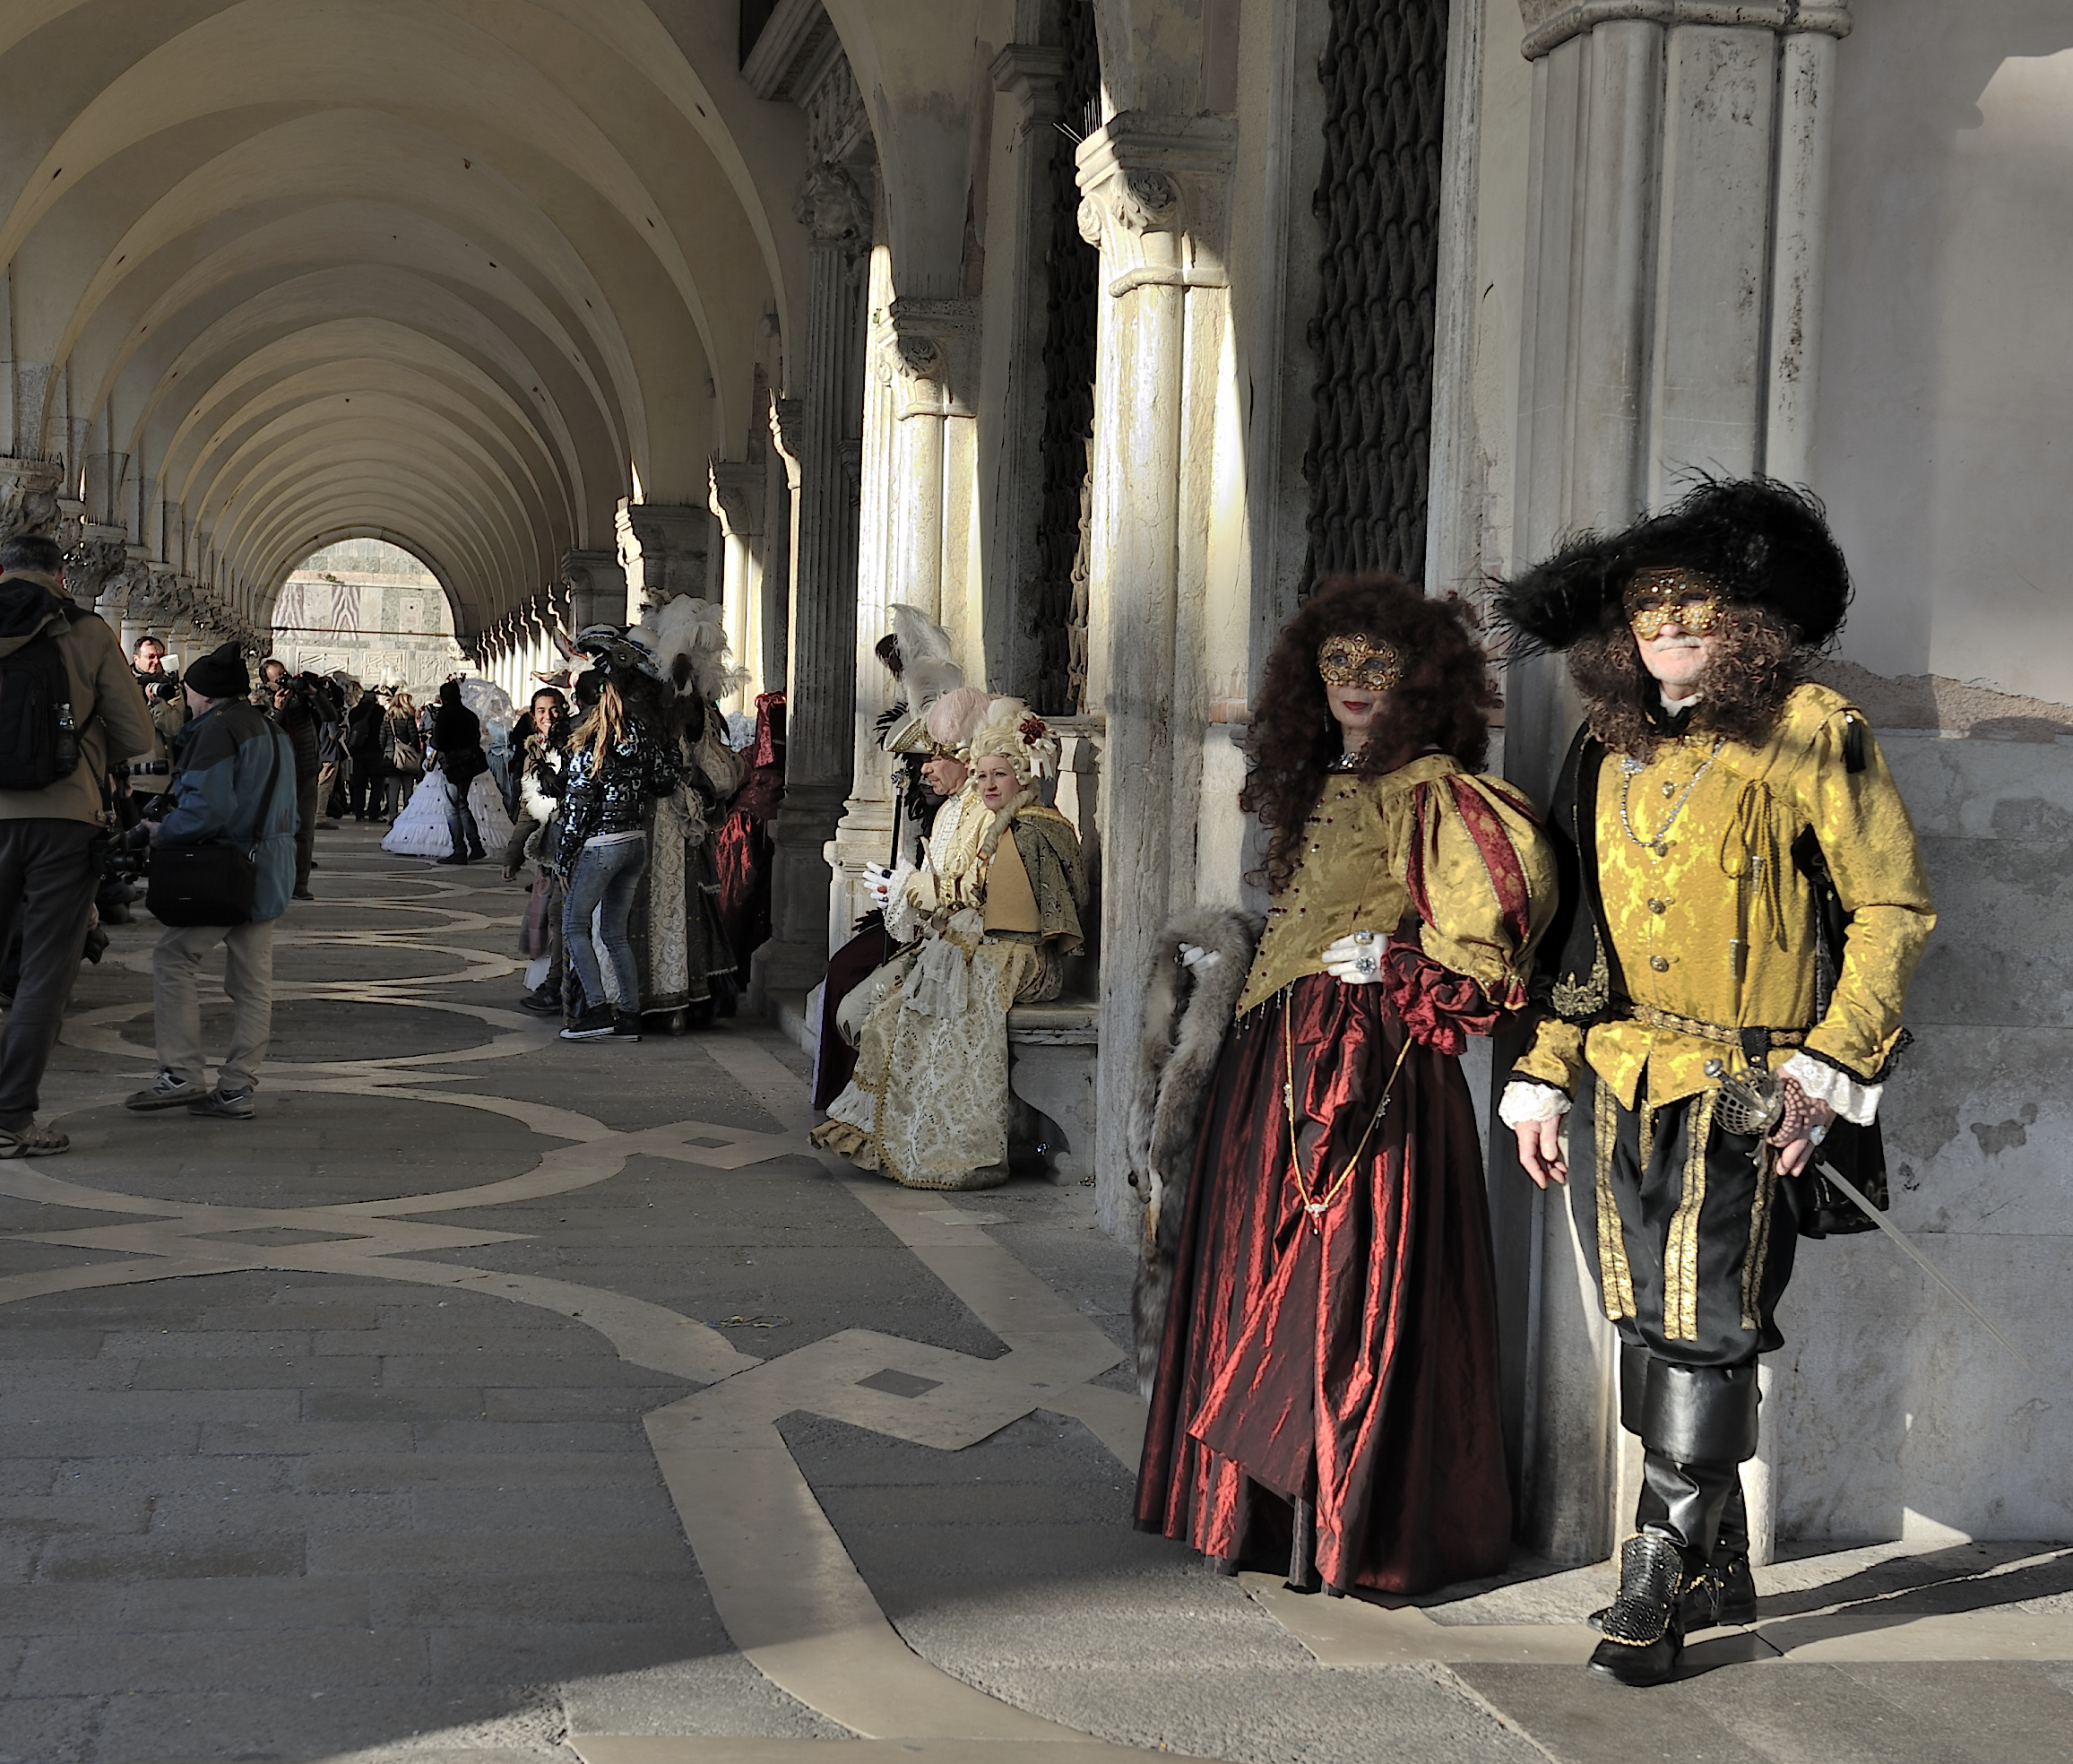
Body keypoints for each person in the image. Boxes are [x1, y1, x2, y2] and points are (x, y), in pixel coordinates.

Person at [1493, 479, 1936, 1686]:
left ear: (1744, 620)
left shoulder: (1810, 730)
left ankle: (1659, 1565)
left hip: (1748, 1083)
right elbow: (1572, 931)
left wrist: (1826, 1067)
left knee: (1706, 1325)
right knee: (1646, 1317)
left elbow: (1889, 908)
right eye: (1649, 609)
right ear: (1619, 634)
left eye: (1696, 606)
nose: (1672, 627)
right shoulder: (1604, 747)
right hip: (1621, 1072)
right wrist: (1541, 1072)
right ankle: (1723, 1549)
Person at [1134, 576, 1558, 1599]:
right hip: (1273, 1055)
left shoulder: (1432, 791)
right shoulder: (1329, 780)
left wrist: (1404, 961)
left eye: (1380, 667)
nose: (1355, 686)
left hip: (1364, 1061)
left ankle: (1337, 1515)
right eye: (1338, 665)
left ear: (1423, 681)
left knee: (1342, 1273)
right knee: (1261, 1254)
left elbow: (1504, 916)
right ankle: (1267, 1507)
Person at [812, 695, 1088, 1189]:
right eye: (982, 776)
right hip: (976, 945)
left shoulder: (1030, 828)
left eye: (997, 776)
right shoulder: (985, 818)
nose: (987, 785)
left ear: (1022, 776)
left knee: (930, 1015)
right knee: (891, 1009)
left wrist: (939, 910)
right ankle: (893, 1129)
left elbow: (1017, 917)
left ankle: (943, 1141)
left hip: (1012, 956)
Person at [0, 534, 158, 1156]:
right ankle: (11, 1117)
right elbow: (136, 733)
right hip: (65, 818)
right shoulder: (86, 632)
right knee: (44, 972)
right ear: (62, 576)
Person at [124, 641, 298, 1121]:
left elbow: (208, 808)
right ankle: (238, 1087)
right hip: (271, 866)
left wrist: (162, 832)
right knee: (251, 983)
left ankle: (180, 1071)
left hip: (226, 869)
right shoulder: (269, 728)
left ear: (204, 694)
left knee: (173, 956)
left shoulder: (217, 732)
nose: (187, 700)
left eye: (190, 692)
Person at [556, 663, 680, 1042]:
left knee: (574, 926)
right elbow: (664, 782)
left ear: (584, 701)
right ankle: (629, 1016)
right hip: (635, 841)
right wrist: (672, 747)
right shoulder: (640, 735)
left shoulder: (589, 740)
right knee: (615, 932)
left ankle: (597, 1010)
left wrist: (564, 858)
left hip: (600, 845)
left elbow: (578, 805)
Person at [502, 687, 569, 1016]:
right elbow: (528, 809)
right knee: (549, 915)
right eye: (541, 711)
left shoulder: (574, 743)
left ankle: (559, 985)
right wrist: (513, 856)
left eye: (554, 709)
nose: (548, 717)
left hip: (571, 842)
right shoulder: (533, 753)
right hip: (546, 847)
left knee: (560, 914)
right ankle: (554, 982)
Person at [262, 663, 320, 900]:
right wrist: (277, 709)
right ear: (267, 684)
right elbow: (266, 735)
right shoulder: (259, 701)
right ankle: (275, 880)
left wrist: (314, 693)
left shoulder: (303, 699)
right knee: (276, 830)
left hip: (305, 770)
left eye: (285, 677)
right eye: (278, 680)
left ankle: (300, 883)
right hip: (276, 775)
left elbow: (329, 716)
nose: (284, 684)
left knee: (304, 830)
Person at [429, 679, 486, 865]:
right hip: (469, 763)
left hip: (453, 764)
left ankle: (459, 850)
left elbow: (438, 743)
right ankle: (475, 846)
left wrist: (432, 740)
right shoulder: (469, 715)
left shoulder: (445, 715)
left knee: (451, 807)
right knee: (461, 803)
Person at [344, 684, 386, 820]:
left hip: (358, 750)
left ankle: (358, 812)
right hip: (375, 750)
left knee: (359, 784)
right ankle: (374, 812)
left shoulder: (354, 712)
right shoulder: (380, 712)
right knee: (377, 783)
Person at [380, 690, 419, 820]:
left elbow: (382, 738)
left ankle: (392, 816)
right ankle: (407, 815)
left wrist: (385, 751)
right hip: (406, 755)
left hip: (391, 757)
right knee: (408, 787)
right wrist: (416, 750)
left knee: (393, 788)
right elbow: (413, 736)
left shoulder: (387, 718)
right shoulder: (408, 717)